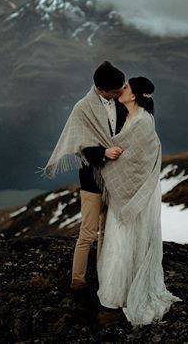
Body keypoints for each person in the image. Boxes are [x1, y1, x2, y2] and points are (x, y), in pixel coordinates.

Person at [95, 76, 182, 327]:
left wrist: (112, 168)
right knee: (123, 240)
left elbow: (138, 163)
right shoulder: (132, 117)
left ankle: (124, 294)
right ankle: (119, 293)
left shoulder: (143, 121)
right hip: (127, 193)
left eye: (126, 88)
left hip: (137, 193)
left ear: (133, 95)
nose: (121, 90)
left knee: (129, 239)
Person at [41, 61, 128, 292]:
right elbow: (80, 143)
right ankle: (77, 279)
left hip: (115, 178)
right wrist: (103, 152)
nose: (119, 92)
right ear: (101, 89)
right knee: (88, 232)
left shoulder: (119, 104)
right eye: (115, 90)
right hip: (92, 179)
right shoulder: (83, 108)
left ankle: (105, 274)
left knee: (109, 231)